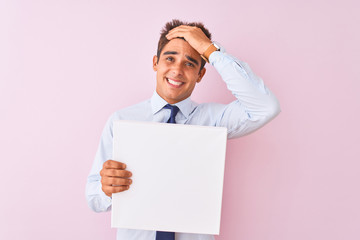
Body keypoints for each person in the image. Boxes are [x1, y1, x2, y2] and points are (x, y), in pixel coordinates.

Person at [86, 19, 280, 240]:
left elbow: (266, 107)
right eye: (170, 58)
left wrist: (211, 51)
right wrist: (106, 189)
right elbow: (93, 198)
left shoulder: (214, 120)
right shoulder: (121, 120)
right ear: (155, 63)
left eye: (189, 63)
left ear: (200, 74)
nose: (177, 70)